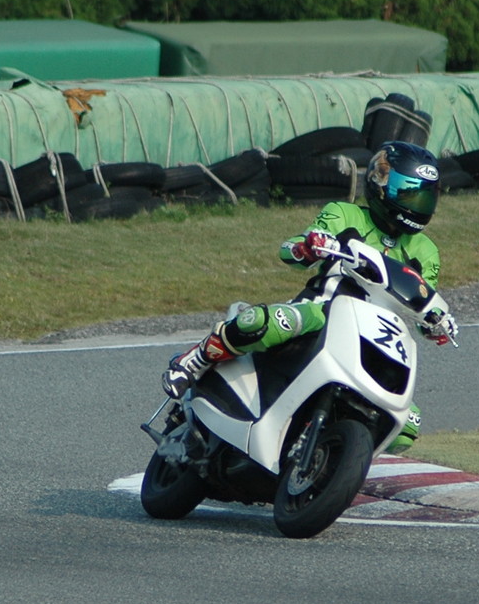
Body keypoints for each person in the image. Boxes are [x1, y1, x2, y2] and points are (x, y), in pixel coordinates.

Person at [159, 140, 458, 452]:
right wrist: (308, 247)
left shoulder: (426, 251)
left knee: (408, 424)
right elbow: (290, 249)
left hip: (376, 335)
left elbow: (424, 301)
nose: (417, 204)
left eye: (426, 196)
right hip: (322, 311)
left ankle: (332, 457)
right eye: (409, 192)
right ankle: (195, 361)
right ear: (380, 184)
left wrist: (436, 324)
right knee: (263, 322)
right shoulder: (344, 213)